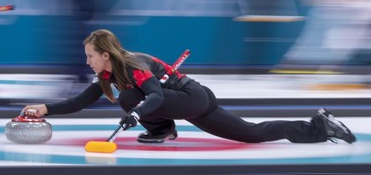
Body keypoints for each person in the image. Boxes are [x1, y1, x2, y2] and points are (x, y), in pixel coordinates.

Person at [22, 29, 356, 144]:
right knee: (251, 133)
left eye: (90, 57)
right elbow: (82, 100)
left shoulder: (134, 65)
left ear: (106, 54)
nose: (88, 62)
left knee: (130, 98)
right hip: (187, 100)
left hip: (190, 98)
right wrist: (45, 108)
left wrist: (136, 115)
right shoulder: (108, 74)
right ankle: (319, 126)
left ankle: (162, 130)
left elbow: (152, 95)